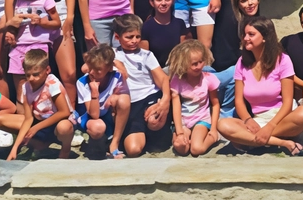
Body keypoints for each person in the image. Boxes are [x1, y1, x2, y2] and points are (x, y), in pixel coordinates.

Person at [218, 17, 303, 155]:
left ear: (265, 38)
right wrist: (248, 120)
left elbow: (287, 102)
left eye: (251, 34)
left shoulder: (282, 60)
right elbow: (238, 101)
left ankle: (254, 141)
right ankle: (282, 141)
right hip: (258, 119)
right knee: (223, 124)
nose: (246, 38)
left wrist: (270, 126)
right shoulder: (242, 62)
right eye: (244, 34)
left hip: (282, 116)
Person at [112, 15, 171, 156]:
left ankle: (156, 135)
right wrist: (115, 63)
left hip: (149, 96)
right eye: (129, 37)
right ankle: (140, 135)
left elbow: (162, 78)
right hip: (130, 103)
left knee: (153, 121)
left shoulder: (146, 55)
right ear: (117, 37)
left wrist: (165, 100)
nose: (134, 41)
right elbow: (86, 66)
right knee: (133, 150)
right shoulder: (112, 54)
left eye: (138, 37)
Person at [4, 49, 75, 160]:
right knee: (0, 120)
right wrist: (15, 149)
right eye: (28, 75)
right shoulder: (26, 87)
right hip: (41, 123)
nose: (31, 78)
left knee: (64, 127)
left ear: (47, 70)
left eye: (36, 74)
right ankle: (40, 145)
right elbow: (28, 119)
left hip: (57, 123)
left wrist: (36, 128)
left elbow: (64, 112)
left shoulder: (52, 83)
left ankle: (65, 149)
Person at [3, 0, 61, 92]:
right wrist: (11, 31)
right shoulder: (15, 1)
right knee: (21, 89)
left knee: (39, 87)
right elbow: (10, 24)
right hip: (18, 47)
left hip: (39, 46)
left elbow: (57, 23)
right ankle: (23, 112)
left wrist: (42, 22)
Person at [73, 44, 131, 159]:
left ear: (110, 68)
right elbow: (94, 115)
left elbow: (123, 100)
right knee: (98, 126)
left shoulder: (116, 77)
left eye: (98, 70)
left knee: (123, 100)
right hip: (89, 117)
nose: (93, 73)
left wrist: (114, 96)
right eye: (91, 68)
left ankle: (114, 142)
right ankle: (97, 145)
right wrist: (95, 93)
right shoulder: (82, 82)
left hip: (107, 114)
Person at [167, 40, 221, 157]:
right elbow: (176, 106)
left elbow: (215, 104)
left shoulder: (208, 79)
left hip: (201, 118)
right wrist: (179, 131)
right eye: (193, 64)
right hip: (184, 120)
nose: (198, 66)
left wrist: (213, 129)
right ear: (183, 64)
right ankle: (186, 138)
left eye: (200, 62)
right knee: (181, 147)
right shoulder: (177, 80)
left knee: (196, 150)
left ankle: (212, 139)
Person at [140, 0, 192, 67]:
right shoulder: (146, 27)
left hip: (177, 69)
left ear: (172, 0)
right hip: (156, 71)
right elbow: (144, 58)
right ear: (152, 2)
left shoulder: (180, 24)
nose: (163, 3)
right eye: (159, 0)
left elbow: (183, 53)